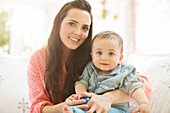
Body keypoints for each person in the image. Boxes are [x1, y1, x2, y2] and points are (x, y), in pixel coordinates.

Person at [27, 0, 151, 113]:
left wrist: (108, 98)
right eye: (72, 24)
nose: (78, 32)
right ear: (58, 23)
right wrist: (66, 106)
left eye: (85, 28)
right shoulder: (38, 59)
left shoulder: (97, 53)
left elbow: (142, 83)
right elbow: (37, 107)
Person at [62, 31, 150, 113]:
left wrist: (144, 103)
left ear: (120, 58)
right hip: (91, 106)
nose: (104, 58)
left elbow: (135, 87)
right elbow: (81, 83)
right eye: (99, 53)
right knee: (76, 109)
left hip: (116, 109)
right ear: (92, 55)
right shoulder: (90, 68)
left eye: (111, 54)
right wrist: (82, 95)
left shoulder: (125, 71)